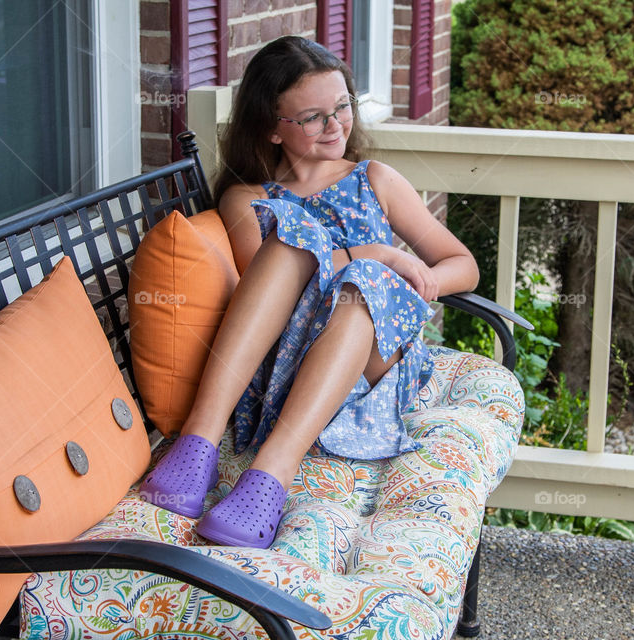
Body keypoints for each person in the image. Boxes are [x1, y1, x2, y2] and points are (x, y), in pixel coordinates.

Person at [140, 36, 479, 548]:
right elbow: (269, 284)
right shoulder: (248, 198)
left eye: (342, 106)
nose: (336, 125)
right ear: (273, 130)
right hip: (284, 361)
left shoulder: (375, 180)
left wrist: (419, 277)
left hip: (370, 355)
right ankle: (198, 441)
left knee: (360, 283)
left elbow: (464, 265)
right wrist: (379, 253)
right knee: (291, 240)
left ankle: (271, 475)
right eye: (313, 117)